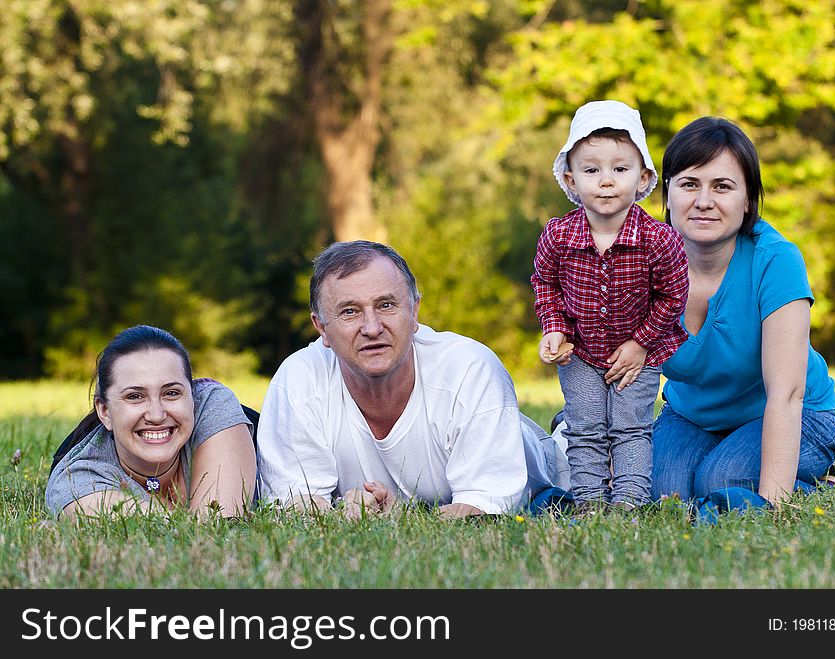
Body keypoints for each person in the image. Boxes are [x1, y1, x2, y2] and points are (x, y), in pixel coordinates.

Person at [257, 241, 570, 519]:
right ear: (322, 328)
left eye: (386, 305)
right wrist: (346, 514)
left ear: (415, 310)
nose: (372, 327)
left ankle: (567, 428)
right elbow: (293, 509)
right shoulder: (297, 381)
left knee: (592, 451)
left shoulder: (469, 369)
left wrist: (400, 517)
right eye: (350, 312)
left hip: (549, 463)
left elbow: (482, 513)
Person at [651, 116, 835, 507]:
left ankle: (821, 482)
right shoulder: (643, 262)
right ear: (668, 193)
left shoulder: (775, 259)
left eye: (722, 187)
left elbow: (786, 395)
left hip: (800, 415)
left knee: (721, 482)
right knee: (664, 492)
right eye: (690, 184)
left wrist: (772, 504)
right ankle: (718, 462)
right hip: (695, 416)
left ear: (747, 201)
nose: (703, 201)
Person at [531, 100, 689, 510]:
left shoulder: (658, 240)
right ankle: (589, 502)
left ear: (643, 178)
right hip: (580, 352)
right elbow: (545, 284)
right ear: (570, 178)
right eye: (591, 170)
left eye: (620, 169)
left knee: (631, 427)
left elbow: (673, 296)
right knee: (585, 427)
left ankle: (629, 502)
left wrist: (641, 343)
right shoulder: (558, 236)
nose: (606, 181)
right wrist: (554, 328)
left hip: (637, 353)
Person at [45, 325, 257, 518]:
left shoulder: (213, 405)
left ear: (193, 397)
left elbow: (221, 522)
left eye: (171, 393)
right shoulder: (77, 480)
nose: (156, 415)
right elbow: (178, 535)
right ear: (105, 411)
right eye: (135, 396)